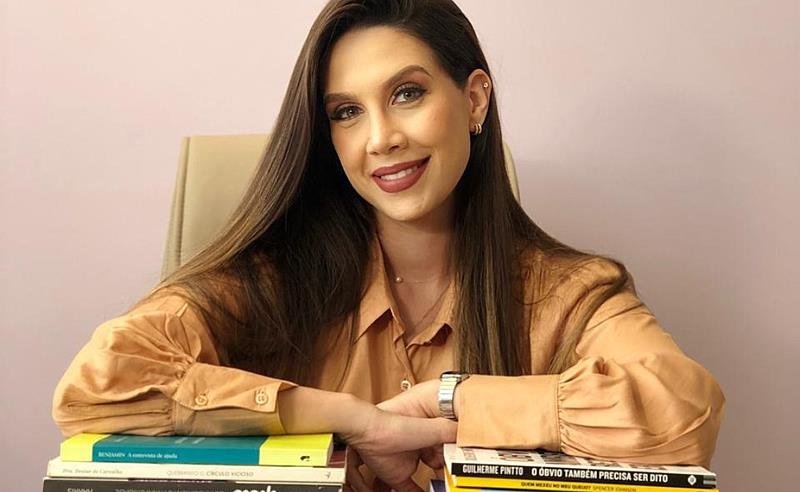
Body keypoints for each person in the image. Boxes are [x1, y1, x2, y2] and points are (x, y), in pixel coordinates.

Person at [52, 1, 725, 491]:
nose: (380, 138)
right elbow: (101, 384)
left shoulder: (568, 294)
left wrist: (453, 400)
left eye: (406, 93)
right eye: (346, 112)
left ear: (474, 100)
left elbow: (683, 411)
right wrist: (353, 421)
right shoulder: (267, 283)